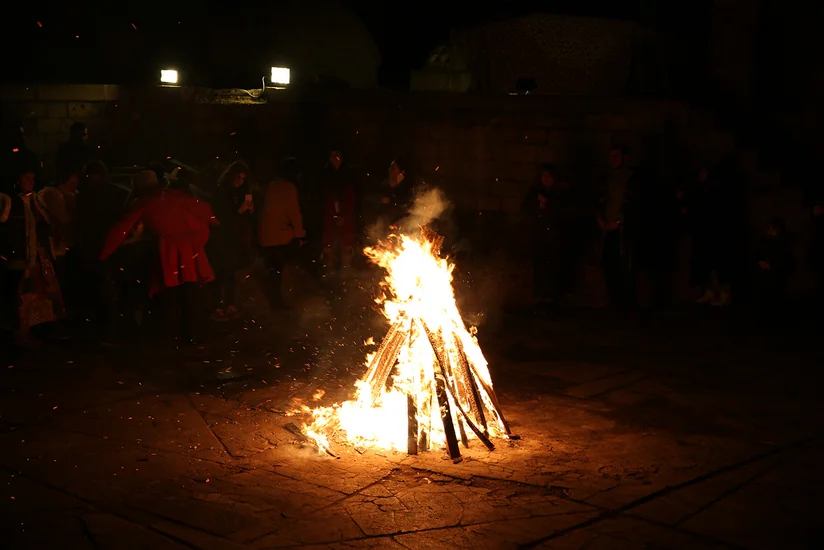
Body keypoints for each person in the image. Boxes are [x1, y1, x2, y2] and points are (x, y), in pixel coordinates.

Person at [99, 170, 217, 344]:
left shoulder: (143, 203)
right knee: (190, 291)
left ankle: (172, 337)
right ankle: (193, 335)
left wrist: (102, 255)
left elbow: (119, 230)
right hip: (191, 249)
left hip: (170, 250)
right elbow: (207, 211)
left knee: (170, 294)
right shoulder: (175, 196)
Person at [0, 168, 65, 348]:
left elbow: (44, 225)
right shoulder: (9, 201)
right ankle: (21, 333)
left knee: (42, 294)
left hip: (37, 256)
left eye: (33, 179)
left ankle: (41, 329)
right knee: (22, 296)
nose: (31, 182)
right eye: (27, 178)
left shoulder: (35, 200)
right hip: (20, 257)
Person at [522, 163, 571, 312]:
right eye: (543, 175)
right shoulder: (535, 192)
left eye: (548, 176)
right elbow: (525, 208)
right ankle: (540, 299)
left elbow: (565, 212)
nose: (546, 178)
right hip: (539, 237)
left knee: (554, 269)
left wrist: (548, 204)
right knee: (539, 268)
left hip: (555, 239)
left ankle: (553, 301)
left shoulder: (560, 193)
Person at [207, 161, 254, 320]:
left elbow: (242, 219)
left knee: (231, 272)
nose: (240, 181)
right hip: (221, 238)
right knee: (220, 272)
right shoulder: (222, 192)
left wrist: (248, 211)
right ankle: (217, 306)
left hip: (235, 238)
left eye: (243, 178)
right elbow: (222, 217)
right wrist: (239, 211)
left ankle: (229, 304)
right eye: (238, 177)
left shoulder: (241, 192)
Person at [258, 158, 306, 310]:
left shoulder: (272, 185)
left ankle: (276, 299)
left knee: (274, 268)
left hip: (266, 234)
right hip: (278, 236)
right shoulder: (288, 188)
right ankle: (277, 302)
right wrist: (300, 234)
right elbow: (294, 213)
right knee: (277, 269)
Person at [598, 145, 640, 309]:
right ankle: (614, 302)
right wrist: (601, 221)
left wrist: (617, 223)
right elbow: (600, 200)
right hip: (606, 231)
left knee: (625, 268)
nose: (613, 160)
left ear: (625, 157)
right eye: (611, 156)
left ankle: (627, 304)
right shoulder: (607, 178)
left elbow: (633, 204)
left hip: (624, 232)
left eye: (616, 156)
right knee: (609, 267)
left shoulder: (632, 179)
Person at [689, 163, 735, 307]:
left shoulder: (715, 192)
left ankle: (723, 294)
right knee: (705, 264)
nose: (701, 176)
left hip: (716, 233)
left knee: (718, 264)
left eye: (704, 173)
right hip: (704, 233)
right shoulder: (700, 191)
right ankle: (710, 291)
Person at [37, 172, 79, 286]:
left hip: (57, 245)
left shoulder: (60, 194)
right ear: (62, 181)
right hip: (54, 246)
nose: (74, 187)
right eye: (71, 183)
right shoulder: (53, 194)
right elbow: (65, 218)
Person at [320, 149, 357, 275]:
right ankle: (330, 271)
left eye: (337, 156)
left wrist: (344, 216)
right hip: (330, 215)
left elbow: (351, 199)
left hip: (346, 216)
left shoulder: (348, 174)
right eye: (331, 156)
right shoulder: (326, 174)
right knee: (329, 243)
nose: (334, 159)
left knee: (346, 243)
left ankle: (346, 271)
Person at [753, 216, 792, 319]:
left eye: (773, 229)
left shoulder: (783, 243)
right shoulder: (764, 241)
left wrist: (772, 266)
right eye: (769, 228)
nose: (770, 231)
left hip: (777, 273)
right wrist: (760, 262)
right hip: (764, 273)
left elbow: (786, 261)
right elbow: (757, 254)